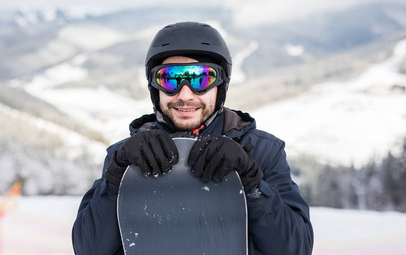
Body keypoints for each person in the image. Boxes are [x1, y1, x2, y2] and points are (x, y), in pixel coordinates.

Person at [72, 22, 314, 255]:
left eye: (201, 79)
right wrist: (116, 181)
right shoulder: (127, 156)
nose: (185, 94)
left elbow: (295, 249)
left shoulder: (262, 151)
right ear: (154, 88)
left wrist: (252, 183)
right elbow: (89, 249)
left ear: (221, 86)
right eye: (169, 79)